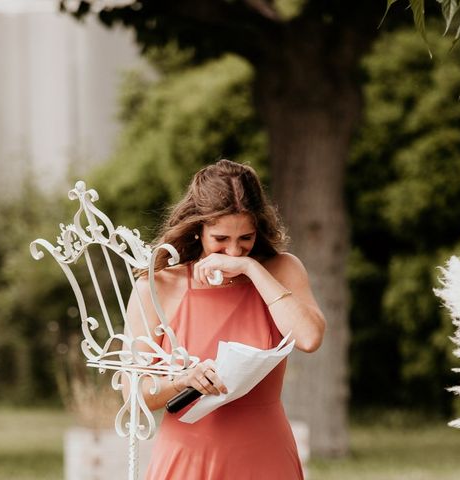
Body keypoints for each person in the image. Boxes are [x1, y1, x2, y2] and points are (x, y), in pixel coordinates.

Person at [127, 159, 326, 479]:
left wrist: (252, 269)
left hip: (264, 453)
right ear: (197, 230)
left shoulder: (282, 270)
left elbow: (309, 338)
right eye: (220, 239)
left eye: (245, 239)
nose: (233, 252)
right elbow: (134, 396)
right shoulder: (158, 286)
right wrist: (184, 379)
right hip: (187, 458)